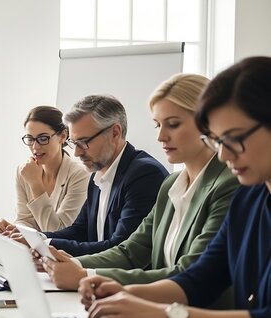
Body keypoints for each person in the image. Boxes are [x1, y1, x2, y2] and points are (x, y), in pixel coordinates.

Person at [78, 57, 271, 318]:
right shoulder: (250, 197)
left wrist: (166, 316)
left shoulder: (234, 189)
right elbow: (200, 277)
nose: (222, 155)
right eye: (217, 140)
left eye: (233, 139)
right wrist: (128, 293)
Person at [41, 74, 239, 291]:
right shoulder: (172, 184)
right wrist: (74, 265)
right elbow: (131, 251)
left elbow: (190, 273)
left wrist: (84, 275)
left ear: (208, 123)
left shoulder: (228, 185)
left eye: (173, 124)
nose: (161, 137)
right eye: (158, 125)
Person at [12, 95, 168, 256]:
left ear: (115, 133)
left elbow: (120, 250)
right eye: (74, 143)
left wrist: (43, 244)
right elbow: (80, 230)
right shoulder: (98, 175)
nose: (77, 152)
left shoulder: (144, 175)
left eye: (84, 142)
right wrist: (35, 239)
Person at [0, 106, 89, 232]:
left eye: (43, 138)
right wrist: (13, 230)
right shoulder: (23, 171)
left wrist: (35, 184)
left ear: (63, 136)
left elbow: (59, 232)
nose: (35, 147)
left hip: (60, 251)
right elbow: (25, 220)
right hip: (31, 250)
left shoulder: (79, 175)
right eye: (30, 139)